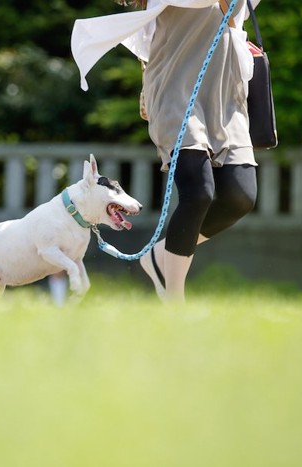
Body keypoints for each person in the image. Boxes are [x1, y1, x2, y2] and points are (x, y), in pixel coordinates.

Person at [72, 0, 260, 301]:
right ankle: (175, 300)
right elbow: (147, 30)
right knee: (198, 192)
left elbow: (232, 15)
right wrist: (146, 83)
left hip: (225, 92)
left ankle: (161, 256)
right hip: (175, 90)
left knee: (240, 196)